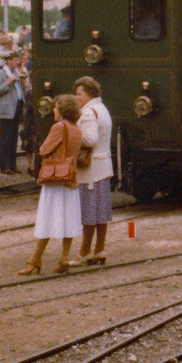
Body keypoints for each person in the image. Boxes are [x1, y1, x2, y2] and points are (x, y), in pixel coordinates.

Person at [19, 94, 82, 275]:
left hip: (55, 180)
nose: (53, 110)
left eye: (56, 107)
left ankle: (34, 260)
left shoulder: (58, 127)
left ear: (62, 110)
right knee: (68, 220)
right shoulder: (76, 129)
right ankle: (64, 258)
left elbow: (43, 149)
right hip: (70, 180)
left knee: (46, 220)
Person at [72, 76, 113, 266]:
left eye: (79, 94)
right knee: (101, 211)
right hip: (103, 166)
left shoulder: (88, 112)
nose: (77, 97)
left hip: (90, 169)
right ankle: (99, 249)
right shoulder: (102, 109)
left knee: (89, 212)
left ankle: (84, 252)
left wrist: (71, 136)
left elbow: (89, 139)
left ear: (88, 93)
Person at [0, 51, 28, 174]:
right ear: (9, 61)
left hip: (17, 107)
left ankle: (12, 164)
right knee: (5, 138)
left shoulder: (16, 72)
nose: (18, 62)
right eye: (16, 60)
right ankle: (4, 165)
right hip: (6, 109)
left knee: (13, 138)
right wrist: (8, 83)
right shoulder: (1, 73)